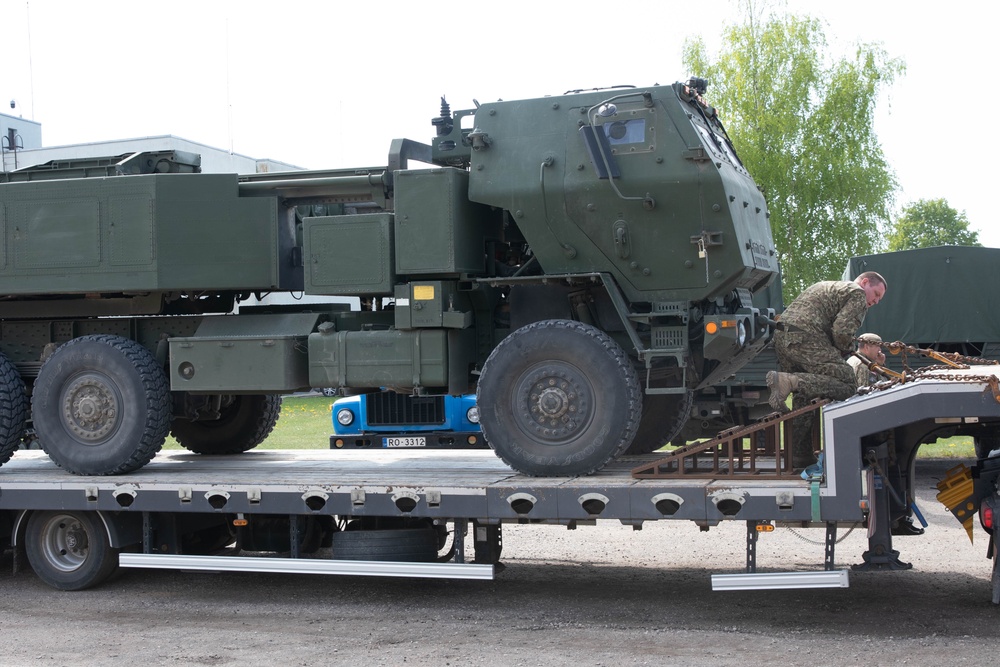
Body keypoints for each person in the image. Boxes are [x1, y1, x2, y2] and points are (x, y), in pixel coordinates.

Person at [766, 271, 887, 466]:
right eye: (876, 294)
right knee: (848, 382)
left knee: (804, 395)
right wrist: (846, 349)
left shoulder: (832, 287)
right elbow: (841, 332)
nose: (876, 301)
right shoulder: (857, 293)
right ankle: (788, 381)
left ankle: (800, 455)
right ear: (865, 283)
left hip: (782, 336)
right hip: (806, 336)